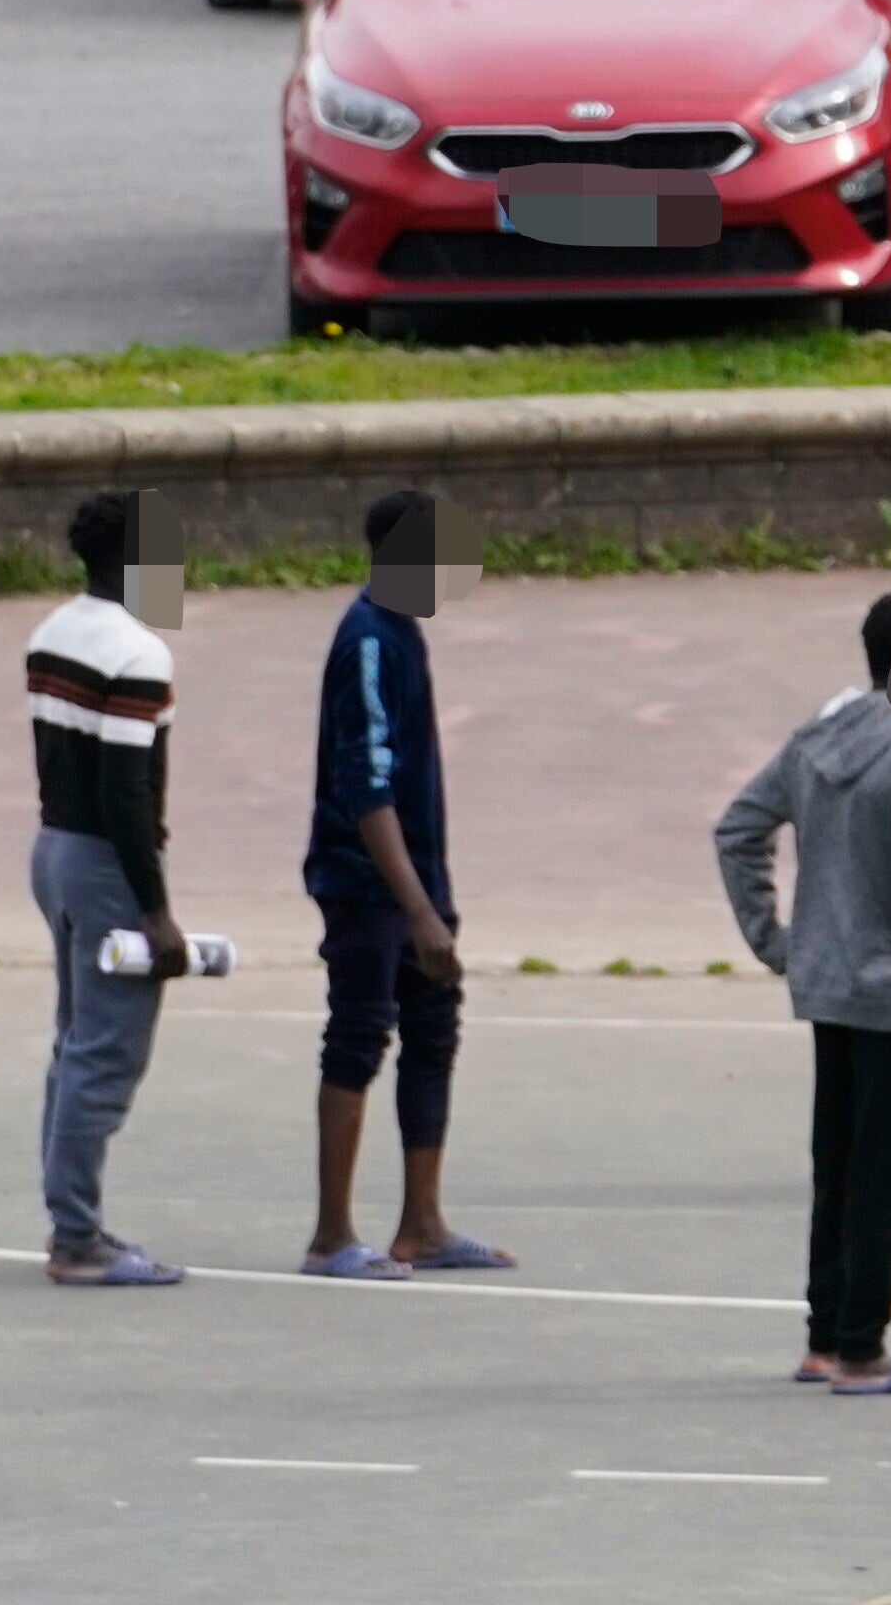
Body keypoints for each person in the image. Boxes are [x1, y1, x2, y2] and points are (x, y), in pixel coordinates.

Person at [715, 591, 891, 1391]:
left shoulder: (816, 743)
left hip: (830, 989)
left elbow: (739, 829)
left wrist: (782, 943)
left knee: (841, 1167)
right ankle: (865, 1351)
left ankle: (825, 1336)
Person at [301, 488, 512, 1278]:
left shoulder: (404, 634)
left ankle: (421, 1223)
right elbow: (365, 783)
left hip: (419, 876)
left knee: (433, 1030)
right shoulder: (365, 640)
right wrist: (418, 910)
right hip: (367, 883)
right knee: (358, 1033)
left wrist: (431, 894)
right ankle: (331, 1235)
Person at [22, 488, 189, 1287]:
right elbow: (128, 792)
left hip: (52, 849)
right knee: (105, 1051)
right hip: (102, 865)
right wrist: (155, 912)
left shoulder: (53, 630)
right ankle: (76, 1237)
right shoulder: (140, 653)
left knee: (73, 1039)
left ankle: (71, 1222)